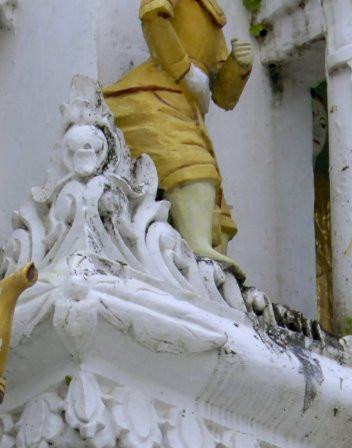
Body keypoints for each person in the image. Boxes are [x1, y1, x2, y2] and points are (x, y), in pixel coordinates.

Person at [103, 0, 254, 271]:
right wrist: (185, 71)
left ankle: (201, 250)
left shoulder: (211, 14)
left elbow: (221, 95)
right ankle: (197, 245)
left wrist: (238, 67)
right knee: (188, 159)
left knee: (207, 180)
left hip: (187, 106)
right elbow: (153, 16)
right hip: (154, 92)